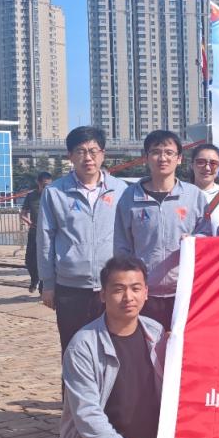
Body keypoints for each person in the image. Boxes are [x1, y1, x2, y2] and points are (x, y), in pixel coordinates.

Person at [60, 255, 219, 438]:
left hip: (146, 428)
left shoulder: (155, 332)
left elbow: (180, 384)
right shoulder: (83, 345)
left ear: (146, 292)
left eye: (135, 288)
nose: (128, 297)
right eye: (118, 289)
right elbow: (87, 416)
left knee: (197, 415)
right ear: (103, 295)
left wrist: (181, 350)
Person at [38, 127, 128, 354]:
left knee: (113, 350)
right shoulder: (55, 192)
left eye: (93, 151)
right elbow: (45, 239)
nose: (88, 158)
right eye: (80, 151)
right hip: (70, 288)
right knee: (73, 350)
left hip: (111, 285)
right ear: (70, 156)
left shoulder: (120, 190)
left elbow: (129, 236)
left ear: (103, 154)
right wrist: (48, 284)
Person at [114, 130, 209, 331]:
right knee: (146, 345)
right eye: (156, 152)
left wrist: (194, 240)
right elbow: (122, 246)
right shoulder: (129, 197)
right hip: (144, 292)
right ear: (146, 157)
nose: (162, 158)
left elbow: (207, 237)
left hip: (184, 292)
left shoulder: (193, 196)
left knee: (181, 345)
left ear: (179, 158)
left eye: (169, 152)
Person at [190, 144, 219, 236]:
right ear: (191, 165)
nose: (207, 168)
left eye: (213, 163)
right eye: (201, 162)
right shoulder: (179, 197)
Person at [20, 171, 53, 293]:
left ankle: (43, 286)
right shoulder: (31, 196)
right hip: (34, 232)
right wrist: (29, 222)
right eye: (44, 185)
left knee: (46, 260)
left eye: (49, 185)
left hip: (49, 234)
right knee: (29, 260)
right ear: (38, 183)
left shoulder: (53, 196)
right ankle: (34, 279)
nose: (46, 188)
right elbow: (23, 214)